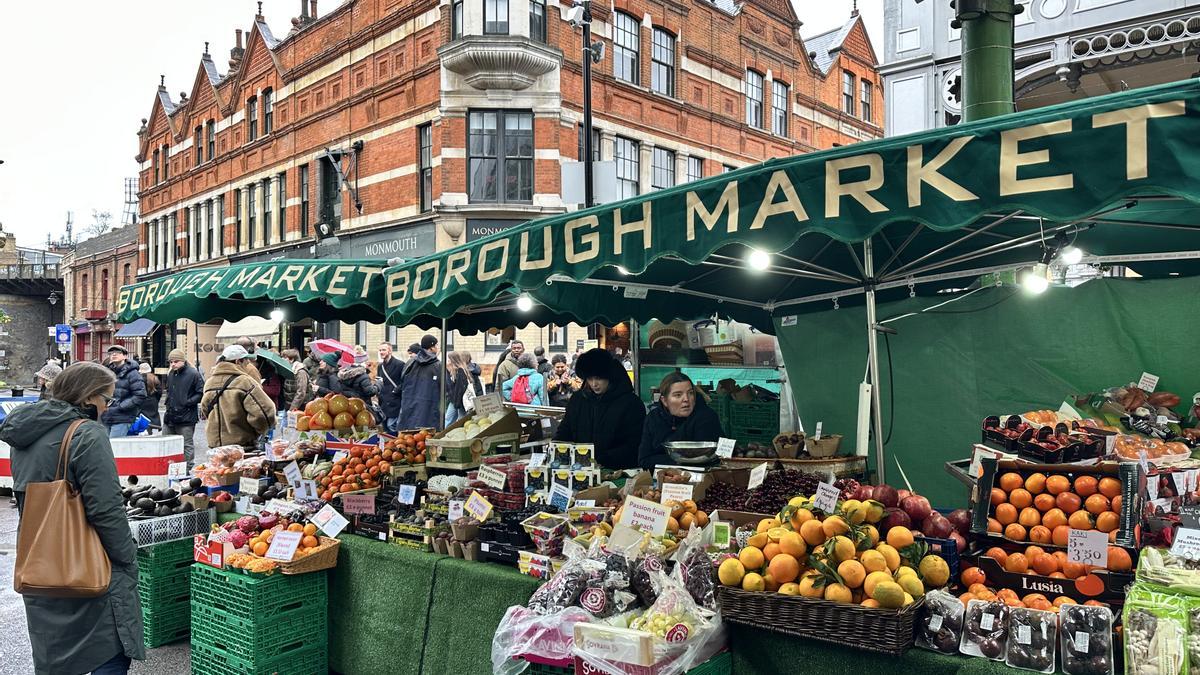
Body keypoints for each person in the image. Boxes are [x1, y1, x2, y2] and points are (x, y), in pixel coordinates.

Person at [0, 361, 145, 674]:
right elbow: (106, 510)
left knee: (56, 660)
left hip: (40, 564)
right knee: (108, 655)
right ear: (88, 398)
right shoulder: (87, 434)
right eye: (107, 399)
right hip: (88, 569)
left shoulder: (24, 434)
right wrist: (127, 557)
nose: (108, 408)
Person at [554, 349, 645, 469]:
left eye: (599, 378)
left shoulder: (631, 403)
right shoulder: (578, 400)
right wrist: (555, 451)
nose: (594, 384)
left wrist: (602, 459)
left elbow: (634, 443)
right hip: (579, 469)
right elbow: (565, 431)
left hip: (618, 470)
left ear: (610, 377)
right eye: (590, 379)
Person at [637, 371, 724, 469]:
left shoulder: (706, 417)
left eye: (690, 393)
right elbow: (644, 460)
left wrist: (663, 459)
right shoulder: (653, 418)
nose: (686, 399)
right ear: (664, 400)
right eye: (678, 395)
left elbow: (703, 460)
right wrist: (681, 460)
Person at [200, 345, 277, 453]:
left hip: (216, 448)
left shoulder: (210, 382)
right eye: (246, 361)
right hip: (241, 446)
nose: (248, 364)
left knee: (220, 470)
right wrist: (258, 431)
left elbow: (205, 409)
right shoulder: (245, 382)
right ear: (238, 361)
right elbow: (266, 412)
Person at [163, 349, 204, 471]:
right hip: (170, 415)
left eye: (175, 361)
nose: (173, 364)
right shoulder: (171, 374)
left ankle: (187, 469)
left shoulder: (193, 374)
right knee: (166, 442)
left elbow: (200, 392)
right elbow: (170, 392)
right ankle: (169, 468)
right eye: (171, 362)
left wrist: (188, 402)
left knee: (186, 444)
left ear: (183, 361)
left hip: (186, 416)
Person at [100, 345, 146, 438]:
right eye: (111, 353)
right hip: (107, 416)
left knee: (115, 447)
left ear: (125, 356)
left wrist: (121, 406)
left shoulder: (133, 373)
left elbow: (140, 395)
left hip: (123, 417)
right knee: (106, 446)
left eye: (118, 353)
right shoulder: (107, 372)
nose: (114, 355)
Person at [399, 335, 441, 430]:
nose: (437, 348)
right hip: (430, 413)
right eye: (436, 345)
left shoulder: (410, 363)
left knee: (409, 440)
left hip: (409, 410)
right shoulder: (438, 365)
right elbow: (447, 387)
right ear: (432, 347)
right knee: (427, 440)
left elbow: (402, 382)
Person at [376, 342, 405, 433]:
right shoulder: (380, 366)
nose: (381, 352)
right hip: (383, 402)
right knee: (385, 428)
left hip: (394, 401)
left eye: (384, 350)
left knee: (391, 425)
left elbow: (405, 382)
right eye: (380, 350)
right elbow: (379, 380)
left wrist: (395, 390)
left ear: (390, 351)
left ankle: (395, 444)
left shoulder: (400, 364)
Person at [137, 363, 162, 428]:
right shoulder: (154, 378)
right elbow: (159, 392)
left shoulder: (138, 379)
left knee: (141, 420)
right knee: (151, 419)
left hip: (141, 401)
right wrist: (156, 400)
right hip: (152, 401)